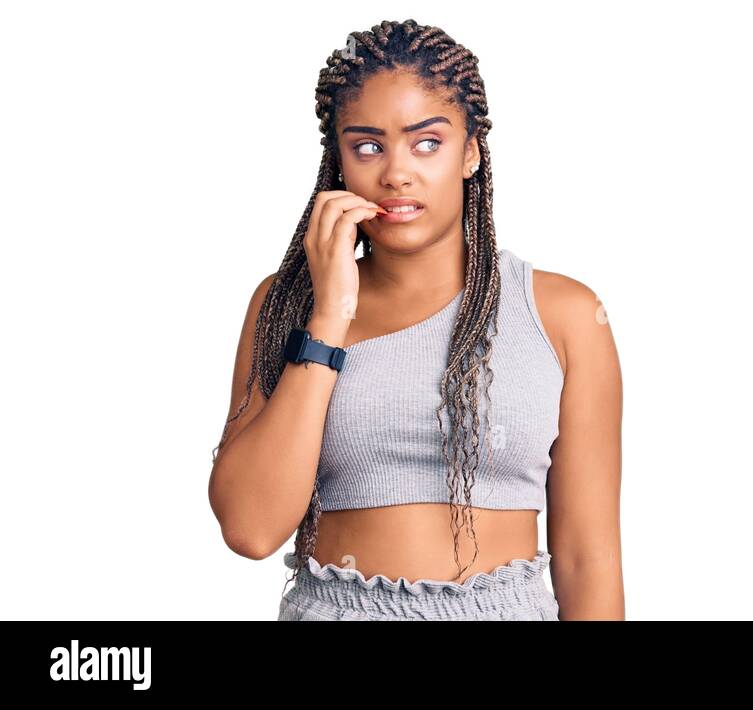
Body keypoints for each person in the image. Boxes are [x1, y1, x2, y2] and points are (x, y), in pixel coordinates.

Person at [207, 19, 624, 621]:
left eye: (427, 142)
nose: (396, 172)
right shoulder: (286, 305)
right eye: (368, 145)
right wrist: (329, 316)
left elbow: (590, 560)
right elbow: (249, 528)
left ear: (471, 152)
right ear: (340, 161)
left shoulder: (563, 315)